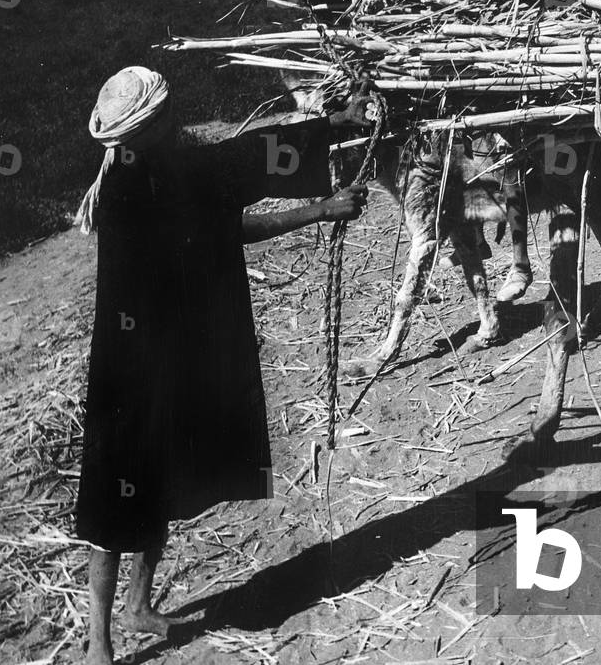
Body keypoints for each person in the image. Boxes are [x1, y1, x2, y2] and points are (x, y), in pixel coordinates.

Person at [73, 66, 376, 665]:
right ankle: (98, 643)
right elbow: (235, 197)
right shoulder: (142, 190)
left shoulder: (146, 172)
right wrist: (320, 193)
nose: (178, 118)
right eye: (169, 113)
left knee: (152, 488)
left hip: (158, 360)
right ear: (152, 127)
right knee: (114, 508)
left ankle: (138, 606)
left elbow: (232, 181)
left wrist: (329, 137)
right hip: (130, 377)